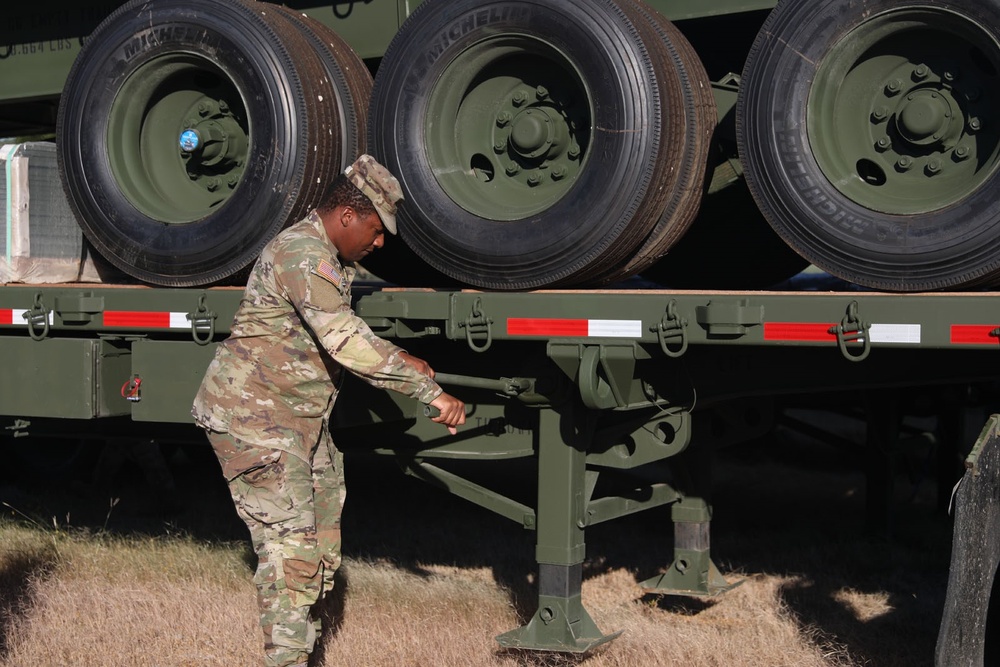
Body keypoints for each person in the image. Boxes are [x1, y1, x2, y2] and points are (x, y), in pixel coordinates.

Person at [191, 154, 465, 667]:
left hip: (296, 421)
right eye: (376, 229)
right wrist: (433, 396)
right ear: (346, 214)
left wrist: (400, 356)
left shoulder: (327, 256)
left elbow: (338, 328)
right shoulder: (303, 254)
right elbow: (343, 341)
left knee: (321, 543)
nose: (379, 242)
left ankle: (304, 651)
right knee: (290, 555)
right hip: (256, 422)